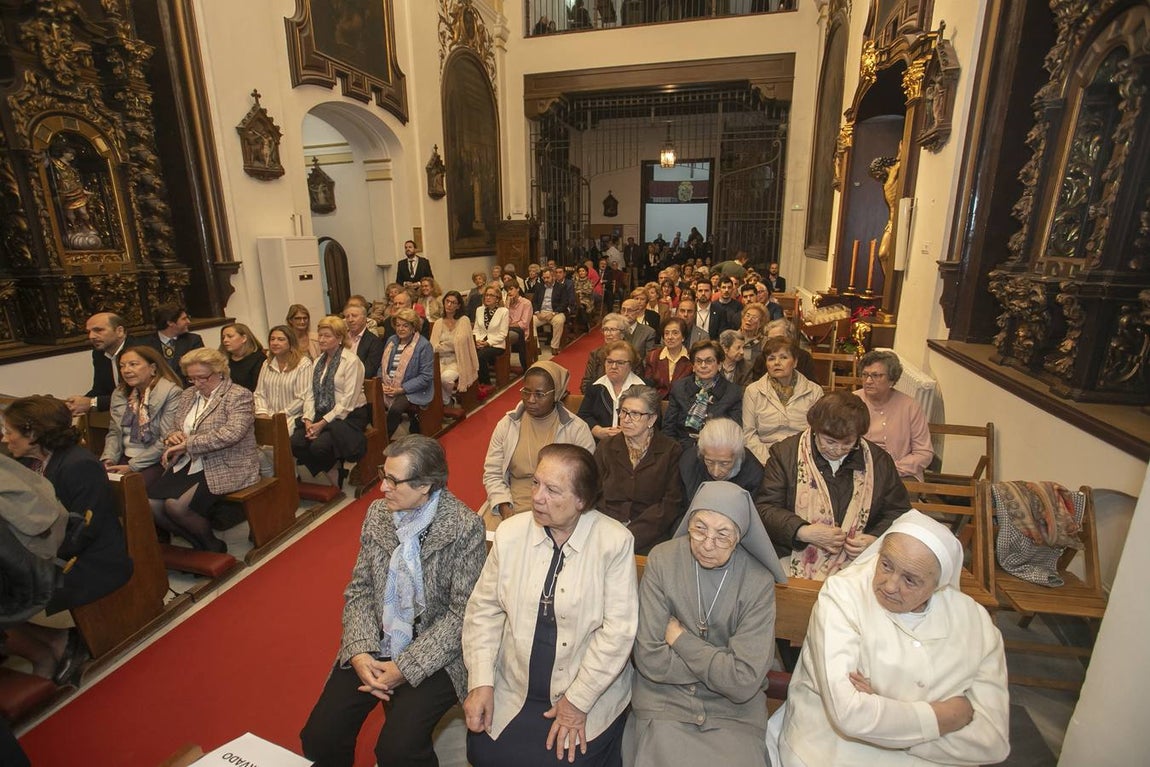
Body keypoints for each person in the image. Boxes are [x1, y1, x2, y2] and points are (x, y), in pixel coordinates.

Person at [300, 435, 486, 767]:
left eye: (393, 480)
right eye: (383, 474)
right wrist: (359, 651)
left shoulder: (464, 527)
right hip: (378, 641)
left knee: (398, 751)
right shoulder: (378, 513)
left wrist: (404, 667)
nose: (383, 487)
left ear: (425, 485)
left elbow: (461, 616)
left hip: (436, 653)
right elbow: (360, 589)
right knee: (319, 738)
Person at [775, 510, 1010, 767]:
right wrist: (947, 717)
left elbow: (992, 742)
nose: (889, 586)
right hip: (834, 751)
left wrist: (887, 715)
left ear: (938, 585)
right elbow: (849, 714)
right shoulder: (844, 594)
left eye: (910, 580)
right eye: (886, 565)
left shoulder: (975, 623)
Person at [464, 444, 637, 766]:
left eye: (552, 490)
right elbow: (483, 611)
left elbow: (618, 633)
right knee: (485, 753)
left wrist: (578, 702)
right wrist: (481, 681)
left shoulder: (613, 543)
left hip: (586, 688)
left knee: (561, 760)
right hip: (513, 683)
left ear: (582, 500)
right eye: (535, 483)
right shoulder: (511, 534)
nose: (537, 497)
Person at [626, 481, 785, 767]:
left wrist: (680, 640)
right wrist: (724, 668)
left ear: (740, 536)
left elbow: (744, 681)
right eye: (699, 529)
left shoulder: (758, 580)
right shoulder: (662, 560)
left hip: (733, 713)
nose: (707, 544)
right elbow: (649, 659)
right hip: (666, 704)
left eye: (722, 535)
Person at [1, 396, 133, 684]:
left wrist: (33, 560)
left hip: (91, 562)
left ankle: (49, 649)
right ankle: (54, 643)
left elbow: (84, 530)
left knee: (10, 592)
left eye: (9, 431)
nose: (5, 438)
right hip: (56, 550)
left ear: (33, 434)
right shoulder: (26, 462)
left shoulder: (79, 465)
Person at [754, 391, 910, 577]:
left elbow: (898, 511)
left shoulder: (878, 461)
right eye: (830, 441)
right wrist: (802, 531)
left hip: (859, 560)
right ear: (815, 430)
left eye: (848, 443)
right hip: (792, 554)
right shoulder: (785, 454)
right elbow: (766, 508)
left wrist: (876, 539)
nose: (837, 450)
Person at [150, 348, 259, 552]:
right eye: (191, 378)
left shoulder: (238, 395)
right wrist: (173, 436)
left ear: (220, 372)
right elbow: (175, 426)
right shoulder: (188, 395)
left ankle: (212, 545)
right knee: (152, 504)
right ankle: (197, 543)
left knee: (176, 506)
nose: (197, 384)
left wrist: (188, 444)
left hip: (227, 463)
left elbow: (231, 433)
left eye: (202, 377)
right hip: (189, 462)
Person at [482, 362, 594, 520]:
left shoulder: (577, 429)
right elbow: (493, 473)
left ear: (556, 394)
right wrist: (504, 506)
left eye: (540, 394)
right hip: (512, 502)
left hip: (559, 506)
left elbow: (584, 481)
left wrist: (559, 515)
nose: (531, 400)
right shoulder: (507, 424)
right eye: (526, 392)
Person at [594, 385, 682, 554]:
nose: (626, 419)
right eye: (623, 412)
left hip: (650, 535)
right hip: (606, 530)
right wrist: (611, 529)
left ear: (651, 419)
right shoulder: (606, 446)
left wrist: (631, 535)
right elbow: (593, 492)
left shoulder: (670, 450)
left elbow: (671, 503)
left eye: (635, 414)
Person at [291, 316, 369, 487]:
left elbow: (348, 401)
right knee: (295, 442)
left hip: (348, 415)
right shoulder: (318, 361)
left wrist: (321, 424)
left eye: (327, 336)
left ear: (339, 338)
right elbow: (310, 394)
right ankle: (330, 468)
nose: (321, 339)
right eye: (320, 335)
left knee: (319, 446)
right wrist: (308, 420)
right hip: (322, 412)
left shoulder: (351, 361)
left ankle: (333, 467)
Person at [101, 345, 184, 488]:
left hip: (157, 460)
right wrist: (109, 458)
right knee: (100, 485)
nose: (126, 370)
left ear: (153, 368)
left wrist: (132, 466)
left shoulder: (171, 392)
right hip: (124, 457)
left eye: (133, 364)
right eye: (122, 366)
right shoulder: (120, 393)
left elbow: (166, 439)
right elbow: (114, 432)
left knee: (132, 488)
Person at [853, 350, 933, 481]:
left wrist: (891, 469)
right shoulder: (851, 401)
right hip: (859, 471)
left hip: (900, 473)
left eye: (876, 375)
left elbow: (924, 453)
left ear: (892, 379)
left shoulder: (910, 406)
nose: (868, 381)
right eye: (865, 374)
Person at [743, 337, 823, 464]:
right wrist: (770, 461)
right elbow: (749, 435)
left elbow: (819, 433)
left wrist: (801, 459)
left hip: (803, 457)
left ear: (795, 362)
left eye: (783, 357)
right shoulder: (753, 391)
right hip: (764, 458)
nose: (777, 363)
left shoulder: (814, 391)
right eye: (771, 358)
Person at [678, 417, 763, 515]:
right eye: (709, 461)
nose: (716, 472)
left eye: (725, 463)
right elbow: (681, 511)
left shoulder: (754, 475)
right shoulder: (688, 464)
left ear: (738, 456)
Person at [663, 341, 743, 445]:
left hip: (717, 448)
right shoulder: (679, 388)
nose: (703, 365)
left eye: (709, 361)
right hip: (682, 447)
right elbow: (668, 429)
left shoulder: (733, 393)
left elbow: (734, 432)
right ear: (693, 366)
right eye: (698, 361)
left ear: (719, 364)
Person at [380, 308, 434, 437]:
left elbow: (425, 377)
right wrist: (381, 384)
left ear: (413, 327)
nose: (400, 329)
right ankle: (378, 436)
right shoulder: (391, 341)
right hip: (388, 385)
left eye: (405, 326)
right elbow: (381, 367)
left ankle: (384, 440)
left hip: (412, 390)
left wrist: (401, 389)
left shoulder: (423, 345)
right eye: (398, 325)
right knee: (368, 404)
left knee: (396, 409)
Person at [65, 312, 132, 415]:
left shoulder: (138, 351)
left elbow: (135, 395)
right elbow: (100, 390)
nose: (91, 336)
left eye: (98, 330)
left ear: (119, 331)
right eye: (89, 332)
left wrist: (93, 402)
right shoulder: (99, 354)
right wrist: (78, 402)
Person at [579, 340, 646, 440]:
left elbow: (653, 422)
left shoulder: (644, 388)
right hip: (600, 443)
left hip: (634, 442)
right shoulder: (595, 387)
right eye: (609, 361)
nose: (613, 366)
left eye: (620, 363)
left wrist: (630, 430)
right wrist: (597, 431)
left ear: (631, 365)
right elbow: (583, 416)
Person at [254, 325, 313, 434]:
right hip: (267, 415)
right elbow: (259, 393)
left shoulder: (303, 364)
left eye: (281, 339)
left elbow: (302, 398)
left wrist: (279, 416)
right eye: (272, 339)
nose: (275, 343)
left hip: (292, 416)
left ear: (291, 343)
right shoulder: (267, 364)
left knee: (279, 436)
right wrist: (263, 413)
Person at [430, 290, 479, 407]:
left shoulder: (464, 320)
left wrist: (443, 345)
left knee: (445, 379)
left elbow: (460, 343)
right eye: (447, 301)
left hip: (458, 360)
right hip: (439, 361)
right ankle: (448, 400)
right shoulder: (438, 322)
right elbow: (433, 346)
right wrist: (451, 345)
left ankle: (446, 400)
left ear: (458, 306)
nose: (449, 305)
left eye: (453, 302)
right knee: (430, 379)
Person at [137, 303, 204, 385]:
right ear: (170, 323)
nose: (188, 322)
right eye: (184, 319)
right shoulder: (145, 345)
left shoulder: (193, 340)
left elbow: (199, 370)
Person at [644, 317, 692, 399]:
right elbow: (647, 386)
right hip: (657, 402)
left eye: (675, 333)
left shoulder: (691, 357)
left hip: (683, 402)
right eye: (666, 333)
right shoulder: (653, 356)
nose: (670, 337)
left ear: (683, 337)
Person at [580, 313, 627, 394]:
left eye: (612, 330)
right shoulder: (595, 354)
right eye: (605, 329)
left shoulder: (631, 355)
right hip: (598, 396)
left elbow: (636, 386)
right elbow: (586, 383)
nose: (608, 334)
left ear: (622, 333)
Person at [473, 284, 509, 386]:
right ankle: (473, 382)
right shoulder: (479, 310)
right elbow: (476, 329)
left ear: (497, 298)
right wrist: (477, 341)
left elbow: (503, 334)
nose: (488, 297)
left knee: (480, 356)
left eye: (491, 295)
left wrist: (487, 343)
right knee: (469, 353)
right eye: (486, 295)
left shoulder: (503, 311)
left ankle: (486, 383)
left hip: (496, 345)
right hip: (480, 342)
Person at [533, 267, 571, 354]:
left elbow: (564, 303)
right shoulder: (539, 287)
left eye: (548, 277)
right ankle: (536, 347)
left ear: (553, 277)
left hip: (556, 312)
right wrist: (537, 313)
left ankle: (554, 346)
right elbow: (534, 302)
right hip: (541, 313)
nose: (546, 280)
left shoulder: (561, 287)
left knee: (559, 321)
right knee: (530, 321)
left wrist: (553, 313)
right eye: (544, 278)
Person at [219, 322, 264, 392]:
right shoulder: (222, 358)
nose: (225, 340)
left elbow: (258, 388)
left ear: (244, 338)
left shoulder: (258, 358)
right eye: (223, 338)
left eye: (230, 336)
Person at [344, 302, 384, 379]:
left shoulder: (374, 342)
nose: (350, 320)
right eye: (347, 317)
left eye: (354, 316)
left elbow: (368, 372)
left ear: (364, 319)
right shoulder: (340, 339)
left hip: (359, 382)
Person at [504, 281, 533, 367]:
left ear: (518, 289)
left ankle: (505, 366)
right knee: (499, 336)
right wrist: (507, 307)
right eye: (507, 290)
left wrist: (509, 325)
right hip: (509, 330)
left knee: (505, 337)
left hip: (522, 332)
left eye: (511, 289)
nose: (509, 292)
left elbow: (524, 324)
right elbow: (504, 321)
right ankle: (500, 363)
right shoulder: (507, 304)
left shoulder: (526, 303)